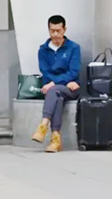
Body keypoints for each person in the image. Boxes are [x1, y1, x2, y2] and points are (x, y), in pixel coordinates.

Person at [30, 15, 82, 153]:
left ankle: (43, 125)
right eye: (52, 31)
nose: (55, 34)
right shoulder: (43, 49)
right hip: (55, 88)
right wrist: (56, 83)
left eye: (58, 31)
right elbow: (45, 71)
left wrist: (54, 83)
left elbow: (73, 71)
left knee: (54, 90)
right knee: (57, 97)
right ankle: (55, 139)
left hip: (71, 87)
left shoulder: (73, 48)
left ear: (64, 30)